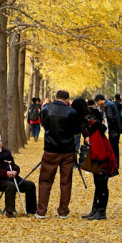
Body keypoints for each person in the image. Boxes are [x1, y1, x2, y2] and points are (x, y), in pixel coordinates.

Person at [37, 90, 80, 219]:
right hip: (67, 150)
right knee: (66, 181)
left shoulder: (46, 109)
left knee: (45, 181)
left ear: (55, 97)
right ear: (67, 99)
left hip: (51, 148)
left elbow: (44, 125)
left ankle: (41, 211)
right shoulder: (71, 112)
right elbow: (76, 130)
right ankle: (63, 211)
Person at [79, 100, 118, 220]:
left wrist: (89, 137)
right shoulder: (88, 122)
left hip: (100, 154)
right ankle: (95, 209)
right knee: (98, 183)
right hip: (96, 151)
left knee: (101, 183)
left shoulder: (91, 123)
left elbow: (100, 128)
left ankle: (101, 211)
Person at [0, 133, 36, 217]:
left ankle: (31, 210)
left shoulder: (6, 152)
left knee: (30, 185)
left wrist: (15, 171)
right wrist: (6, 173)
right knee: (11, 185)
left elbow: (14, 165)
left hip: (13, 178)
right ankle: (10, 211)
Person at [95, 94, 122, 169]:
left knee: (113, 146)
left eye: (97, 102)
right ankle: (116, 163)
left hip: (114, 129)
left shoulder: (108, 105)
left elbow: (110, 118)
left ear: (99, 100)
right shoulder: (110, 103)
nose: (97, 104)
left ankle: (115, 163)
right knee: (115, 146)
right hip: (116, 128)